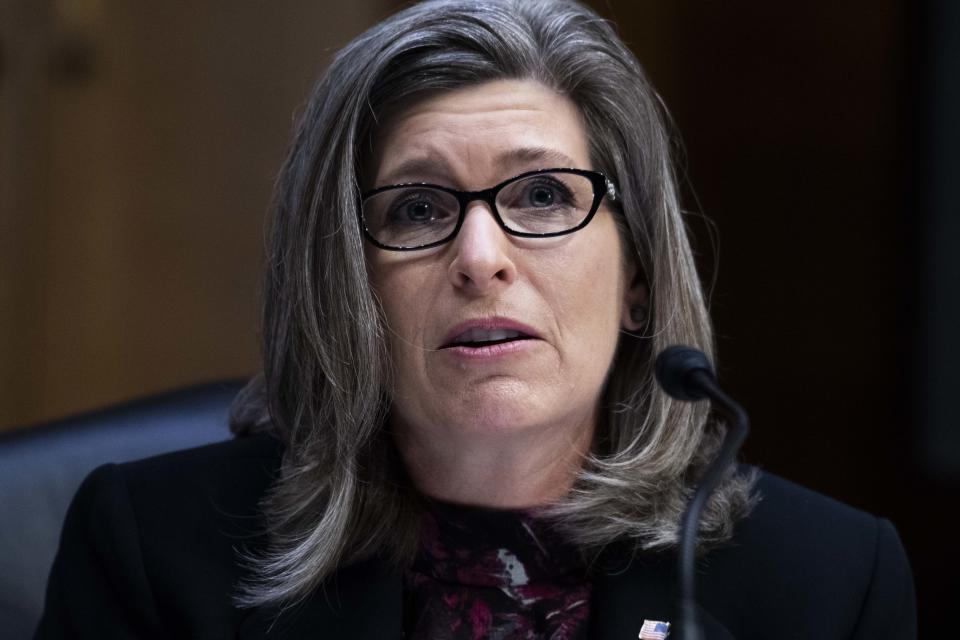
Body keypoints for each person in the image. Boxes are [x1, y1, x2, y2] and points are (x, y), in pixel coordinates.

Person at [35, 1, 916, 638]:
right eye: (417, 209)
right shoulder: (153, 550)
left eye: (540, 196)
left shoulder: (827, 583)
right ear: (347, 280)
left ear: (638, 271)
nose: (480, 256)